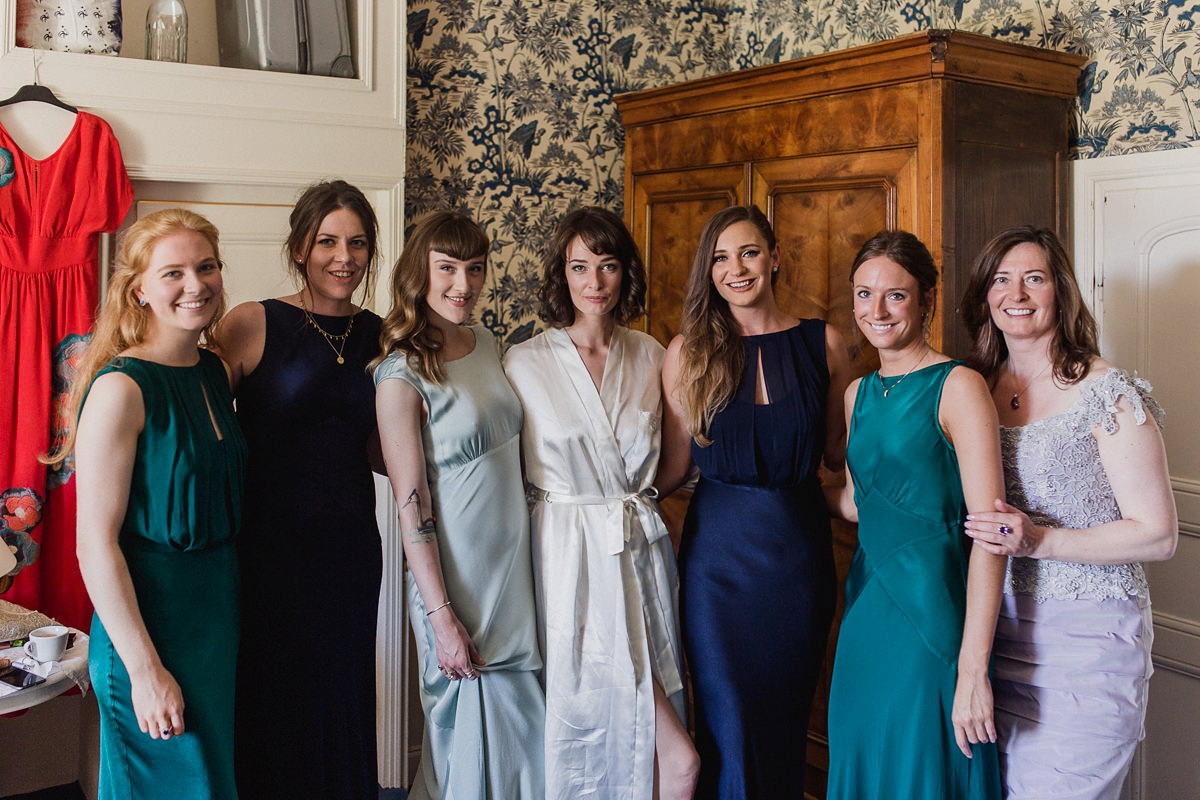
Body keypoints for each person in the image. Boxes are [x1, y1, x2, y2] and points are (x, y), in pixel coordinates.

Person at [960, 225, 1177, 799]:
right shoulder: (970, 389)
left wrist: (1041, 541)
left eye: (1034, 278)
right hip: (992, 632)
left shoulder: (1109, 392)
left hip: (1087, 644)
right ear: (986, 295)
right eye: (1002, 280)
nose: (1018, 294)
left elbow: (1158, 535)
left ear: (1061, 290)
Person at [46, 209, 246, 799]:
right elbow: (94, 545)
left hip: (215, 620)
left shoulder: (213, 371)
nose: (195, 285)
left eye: (206, 267)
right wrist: (144, 670)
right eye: (173, 273)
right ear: (139, 288)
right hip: (148, 627)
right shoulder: (120, 388)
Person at [503, 207, 699, 800]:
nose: (594, 282)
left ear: (624, 273)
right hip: (564, 558)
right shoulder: (523, 363)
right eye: (580, 266)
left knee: (669, 743)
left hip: (638, 548)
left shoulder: (652, 354)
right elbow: (506, 472)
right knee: (585, 714)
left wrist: (633, 502)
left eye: (607, 266)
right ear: (561, 275)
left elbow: (675, 461)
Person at [658, 205, 850, 799]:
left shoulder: (826, 343)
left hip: (799, 560)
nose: (735, 268)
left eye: (747, 252)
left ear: (774, 257)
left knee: (784, 721)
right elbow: (673, 466)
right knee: (728, 721)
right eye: (719, 257)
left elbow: (844, 460)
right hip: (718, 566)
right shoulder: (686, 352)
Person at [213, 180, 384, 799]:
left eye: (358, 242)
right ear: (300, 247)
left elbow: (381, 451)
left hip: (349, 551)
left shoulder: (383, 335)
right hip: (268, 549)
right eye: (327, 241)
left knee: (343, 690)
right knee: (273, 695)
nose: (344, 256)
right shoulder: (252, 322)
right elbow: (203, 426)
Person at [823, 230, 1005, 800]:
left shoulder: (959, 386)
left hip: (932, 618)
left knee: (920, 769)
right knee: (866, 759)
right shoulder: (857, 393)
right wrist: (780, 489)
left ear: (926, 298)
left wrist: (974, 668)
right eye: (863, 293)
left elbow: (992, 533)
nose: (875, 311)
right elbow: (858, 503)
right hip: (864, 613)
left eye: (895, 296)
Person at [372, 211, 544, 799]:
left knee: (527, 730)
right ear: (419, 272)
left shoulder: (489, 343)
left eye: (474, 269)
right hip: (457, 582)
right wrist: (441, 616)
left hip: (515, 567)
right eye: (446, 268)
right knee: (472, 732)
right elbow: (410, 505)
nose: (462, 285)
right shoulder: (400, 374)